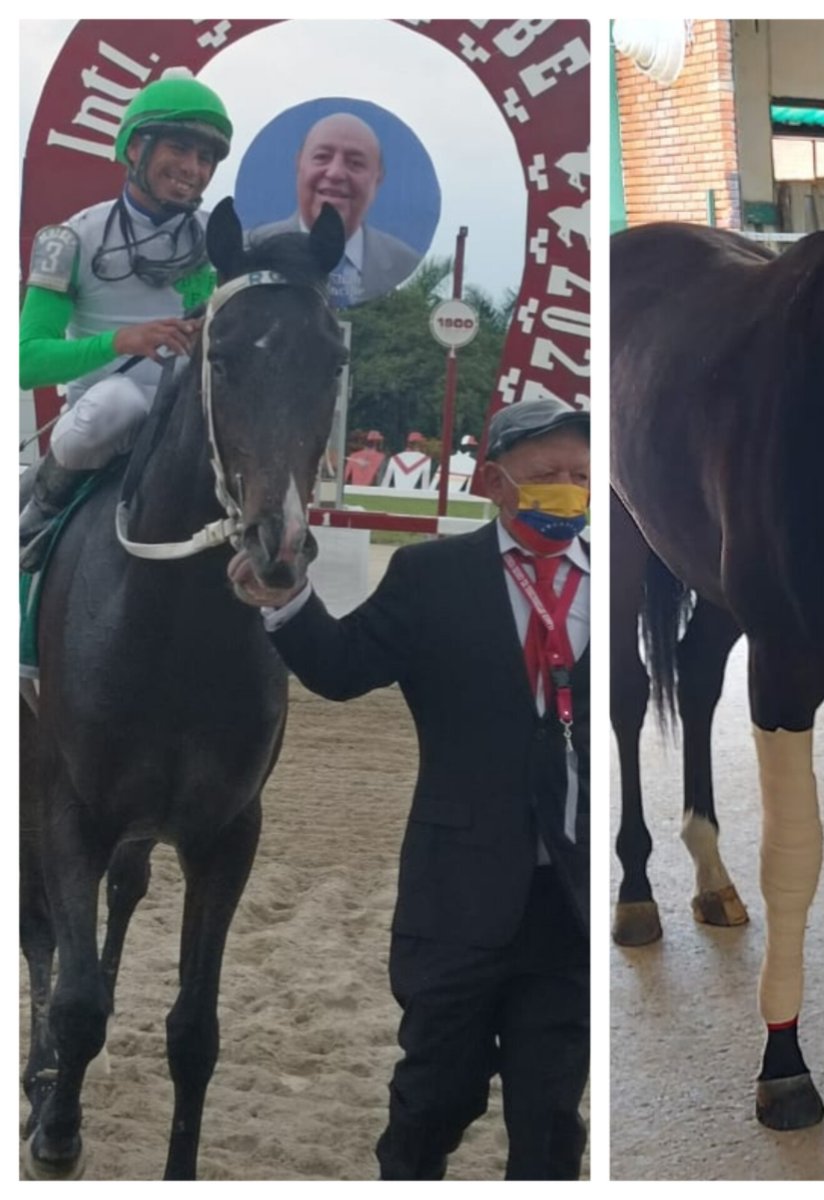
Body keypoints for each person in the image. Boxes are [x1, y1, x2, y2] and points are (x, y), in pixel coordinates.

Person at [228, 397, 591, 1180]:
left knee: (552, 1120)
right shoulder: (432, 574)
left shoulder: (615, 580)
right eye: (545, 475)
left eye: (580, 475)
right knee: (432, 1103)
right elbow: (342, 668)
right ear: (493, 482)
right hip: (458, 898)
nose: (567, 489)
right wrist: (286, 600)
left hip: (571, 905)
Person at [18, 69, 232, 571]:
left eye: (205, 158)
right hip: (101, 423)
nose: (192, 168)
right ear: (135, 148)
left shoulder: (216, 240)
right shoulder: (66, 239)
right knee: (117, 401)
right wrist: (123, 341)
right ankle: (35, 516)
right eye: (179, 148)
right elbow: (25, 362)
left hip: (193, 423)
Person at [250, 112, 422, 306]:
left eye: (355, 163)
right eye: (322, 157)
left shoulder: (401, 261)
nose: (335, 173)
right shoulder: (251, 249)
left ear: (378, 177)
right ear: (299, 164)